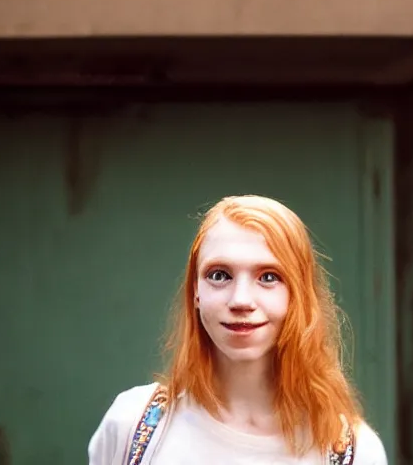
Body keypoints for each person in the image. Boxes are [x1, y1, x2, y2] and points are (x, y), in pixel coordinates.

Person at [88, 195, 388, 465]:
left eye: (268, 277)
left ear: (297, 294)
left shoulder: (352, 452)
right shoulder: (134, 426)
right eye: (219, 275)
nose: (241, 300)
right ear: (196, 291)